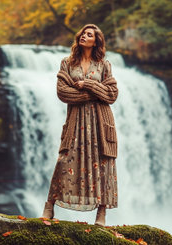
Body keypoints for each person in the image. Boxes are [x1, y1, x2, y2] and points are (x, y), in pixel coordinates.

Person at [42, 24, 119, 226]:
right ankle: (49, 206)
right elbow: (63, 92)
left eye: (90, 34)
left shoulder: (104, 65)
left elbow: (112, 94)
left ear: (96, 41)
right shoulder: (67, 63)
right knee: (64, 161)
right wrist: (94, 93)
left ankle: (101, 215)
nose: (84, 36)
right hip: (76, 122)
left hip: (100, 123)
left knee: (103, 165)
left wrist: (88, 84)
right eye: (83, 34)